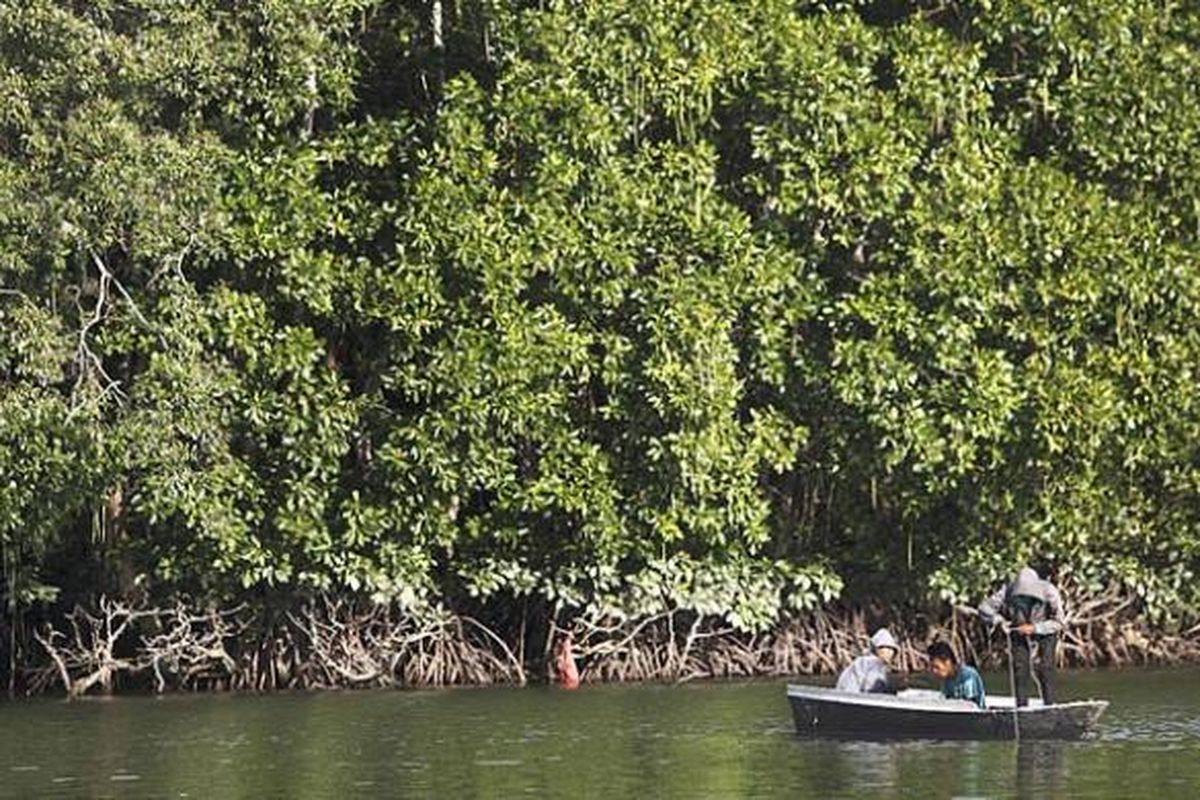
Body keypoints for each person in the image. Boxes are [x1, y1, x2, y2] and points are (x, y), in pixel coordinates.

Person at [978, 566, 1065, 706]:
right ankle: (1022, 705)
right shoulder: (1007, 590)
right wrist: (999, 621)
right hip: (1017, 628)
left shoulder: (1049, 591)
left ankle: (1050, 704)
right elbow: (984, 608)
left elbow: (1059, 622)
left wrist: (1035, 628)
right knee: (1020, 667)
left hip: (1046, 629)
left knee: (1046, 667)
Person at [836, 628, 900, 693]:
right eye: (886, 648)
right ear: (876, 649)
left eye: (892, 649)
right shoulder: (872, 663)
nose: (889, 652)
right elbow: (871, 688)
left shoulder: (865, 661)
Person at [928, 640, 986, 708]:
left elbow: (972, 705)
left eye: (937, 667)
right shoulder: (947, 679)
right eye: (932, 667)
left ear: (948, 662)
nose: (934, 671)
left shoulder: (968, 676)